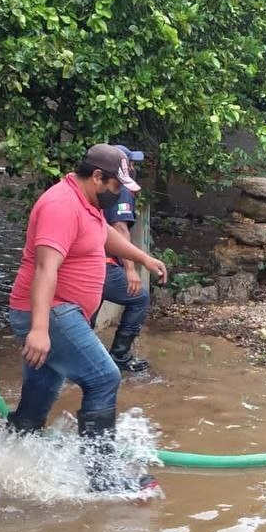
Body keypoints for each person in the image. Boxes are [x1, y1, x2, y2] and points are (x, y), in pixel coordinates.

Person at [6, 144, 168, 493]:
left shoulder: (88, 203)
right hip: (51, 311)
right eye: (115, 185)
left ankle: (10, 449)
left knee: (42, 390)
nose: (119, 193)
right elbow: (45, 268)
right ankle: (102, 477)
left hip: (60, 312)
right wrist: (39, 329)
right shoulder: (60, 205)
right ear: (97, 177)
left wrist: (144, 259)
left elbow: (104, 236)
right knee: (104, 378)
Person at [95, 144, 152, 375]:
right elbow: (119, 228)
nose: (133, 166)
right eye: (130, 162)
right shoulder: (121, 187)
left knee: (86, 314)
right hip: (103, 264)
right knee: (139, 298)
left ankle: (76, 362)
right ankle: (120, 356)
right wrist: (130, 269)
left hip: (89, 263)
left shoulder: (98, 187)